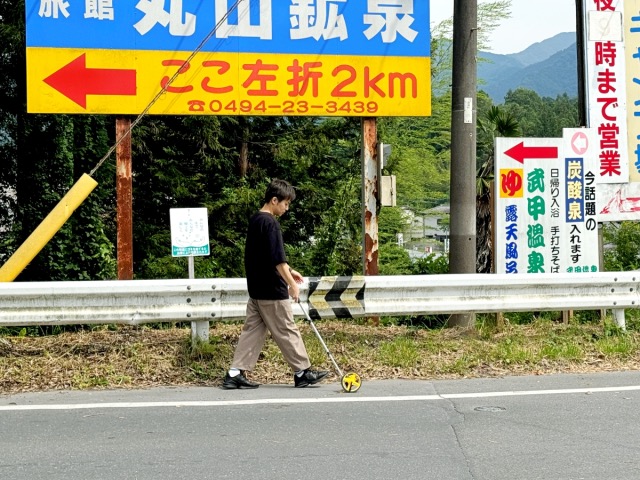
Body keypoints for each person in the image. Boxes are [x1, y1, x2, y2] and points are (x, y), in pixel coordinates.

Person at [222, 179, 329, 389]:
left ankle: (234, 373)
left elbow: (265, 256)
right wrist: (291, 284)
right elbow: (277, 259)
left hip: (256, 288)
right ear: (274, 200)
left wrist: (290, 271)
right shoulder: (271, 223)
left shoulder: (256, 220)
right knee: (286, 329)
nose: (286, 208)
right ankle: (302, 372)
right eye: (285, 203)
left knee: (252, 331)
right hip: (271, 289)